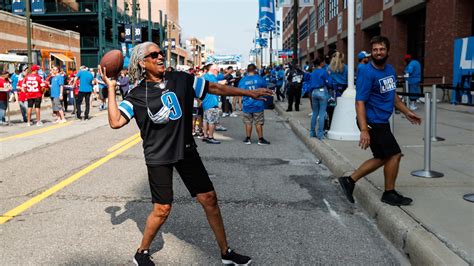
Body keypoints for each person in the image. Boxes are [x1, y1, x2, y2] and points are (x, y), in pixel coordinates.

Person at [98, 42, 271, 265]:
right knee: (162, 209)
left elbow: (215, 89)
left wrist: (249, 92)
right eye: (154, 55)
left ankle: (226, 253)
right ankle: (141, 252)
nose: (160, 56)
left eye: (161, 53)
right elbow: (115, 121)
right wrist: (111, 88)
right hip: (158, 155)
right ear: (142, 62)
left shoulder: (181, 79)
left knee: (209, 199)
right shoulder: (137, 95)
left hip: (185, 149)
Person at [338, 36, 422, 206]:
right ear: (372, 52)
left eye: (381, 49)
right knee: (395, 154)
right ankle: (389, 193)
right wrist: (363, 129)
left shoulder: (390, 70)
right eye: (375, 50)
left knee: (383, 157)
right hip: (371, 121)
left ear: (387, 51)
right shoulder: (366, 72)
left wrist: (407, 112)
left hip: (382, 121)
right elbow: (359, 101)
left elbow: (393, 96)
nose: (378, 52)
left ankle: (349, 181)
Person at [238, 64, 271, 145]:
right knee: (258, 122)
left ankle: (248, 138)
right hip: (258, 104)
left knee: (248, 122)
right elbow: (265, 88)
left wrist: (240, 103)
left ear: (247, 70)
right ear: (255, 70)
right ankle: (260, 139)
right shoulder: (259, 78)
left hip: (247, 104)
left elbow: (239, 91)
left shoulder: (243, 80)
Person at [201, 63, 225, 144]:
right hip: (211, 102)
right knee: (212, 121)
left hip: (205, 101)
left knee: (205, 120)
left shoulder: (204, 76)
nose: (217, 72)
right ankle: (210, 137)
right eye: (217, 71)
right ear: (213, 70)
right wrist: (222, 83)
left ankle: (205, 136)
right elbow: (216, 86)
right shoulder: (211, 77)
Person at [309, 57, 332, 139]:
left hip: (314, 92)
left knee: (315, 113)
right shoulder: (324, 72)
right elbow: (330, 83)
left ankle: (312, 132)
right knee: (322, 114)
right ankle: (320, 134)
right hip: (322, 92)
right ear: (321, 63)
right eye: (323, 62)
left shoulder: (313, 72)